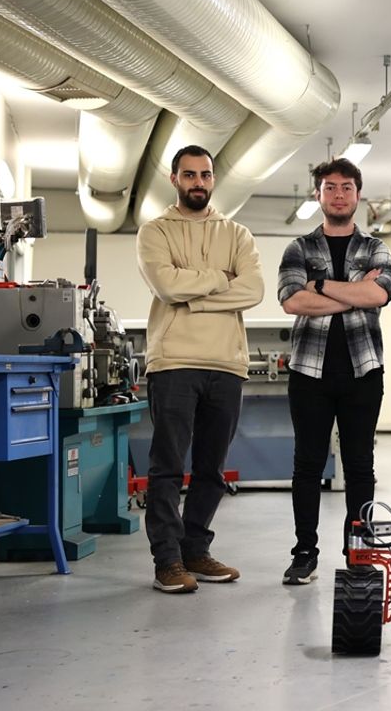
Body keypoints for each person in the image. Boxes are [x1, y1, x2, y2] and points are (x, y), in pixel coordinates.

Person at [136, 144, 264, 593]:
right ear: (174, 179)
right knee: (167, 468)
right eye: (189, 175)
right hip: (173, 361)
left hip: (227, 363)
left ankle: (195, 550)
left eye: (205, 175)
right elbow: (166, 286)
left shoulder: (237, 234)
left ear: (213, 179)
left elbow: (253, 289)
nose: (198, 182)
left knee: (212, 469)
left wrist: (193, 294)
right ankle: (167, 561)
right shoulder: (155, 231)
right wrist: (218, 279)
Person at [278, 158, 391, 585]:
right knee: (307, 465)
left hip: (363, 371)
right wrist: (355, 292)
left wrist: (321, 286)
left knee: (360, 465)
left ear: (358, 195)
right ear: (318, 195)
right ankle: (304, 552)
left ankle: (358, 551)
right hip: (309, 372)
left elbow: (380, 296)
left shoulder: (376, 247)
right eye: (330, 187)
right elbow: (292, 301)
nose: (339, 194)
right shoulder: (298, 248)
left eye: (347, 187)